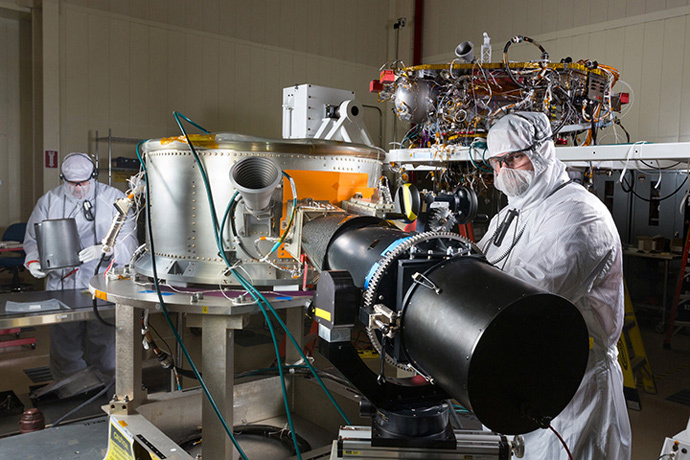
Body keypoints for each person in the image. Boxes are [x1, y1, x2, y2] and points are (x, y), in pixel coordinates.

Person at [478, 112, 631, 459]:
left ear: (543, 152)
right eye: (496, 163)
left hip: (574, 385)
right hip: (524, 376)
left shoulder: (578, 214)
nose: (504, 171)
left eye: (513, 158)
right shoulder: (511, 213)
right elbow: (480, 269)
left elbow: (525, 301)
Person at [23, 152, 138, 382]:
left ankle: (104, 396)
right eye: (71, 183)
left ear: (93, 176)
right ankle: (71, 394)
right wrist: (34, 261)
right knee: (65, 349)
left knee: (105, 347)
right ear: (62, 178)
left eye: (83, 183)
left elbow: (131, 244)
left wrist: (106, 249)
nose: (77, 189)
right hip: (62, 284)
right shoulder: (49, 201)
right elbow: (32, 240)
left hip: (102, 285)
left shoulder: (114, 199)